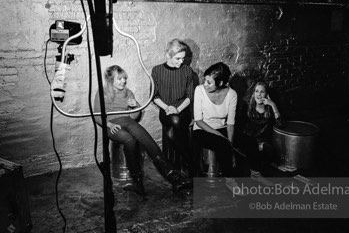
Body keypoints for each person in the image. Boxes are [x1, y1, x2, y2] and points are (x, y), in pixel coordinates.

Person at [94, 65, 192, 198]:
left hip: (128, 122)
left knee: (148, 142)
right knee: (129, 140)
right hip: (110, 126)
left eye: (124, 78)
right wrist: (110, 124)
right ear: (111, 80)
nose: (123, 81)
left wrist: (136, 106)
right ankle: (137, 181)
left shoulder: (128, 92)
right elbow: (97, 115)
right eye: (120, 79)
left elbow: (134, 117)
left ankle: (174, 178)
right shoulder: (102, 93)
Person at [192, 62, 242, 192]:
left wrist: (230, 143)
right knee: (222, 143)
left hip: (222, 128)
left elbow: (230, 123)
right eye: (205, 80)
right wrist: (222, 138)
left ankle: (256, 173)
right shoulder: (199, 90)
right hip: (202, 129)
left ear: (220, 83)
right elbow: (198, 120)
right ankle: (230, 180)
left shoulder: (232, 94)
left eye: (209, 82)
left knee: (246, 142)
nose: (205, 84)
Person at [151, 39, 194, 175]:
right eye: (177, 58)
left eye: (183, 58)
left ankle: (177, 165)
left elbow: (190, 96)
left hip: (183, 109)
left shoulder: (187, 70)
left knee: (175, 125)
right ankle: (190, 161)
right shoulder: (157, 70)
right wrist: (167, 108)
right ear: (168, 55)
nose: (181, 62)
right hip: (165, 109)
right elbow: (154, 96)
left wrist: (178, 109)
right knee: (174, 121)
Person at [235, 81, 282, 182]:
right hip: (248, 141)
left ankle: (257, 172)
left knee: (268, 150)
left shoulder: (269, 110)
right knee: (252, 148)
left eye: (262, 92)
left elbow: (280, 124)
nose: (259, 94)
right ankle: (255, 174)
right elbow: (239, 128)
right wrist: (255, 143)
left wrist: (273, 104)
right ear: (253, 93)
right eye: (256, 91)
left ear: (266, 94)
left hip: (263, 143)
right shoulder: (247, 108)